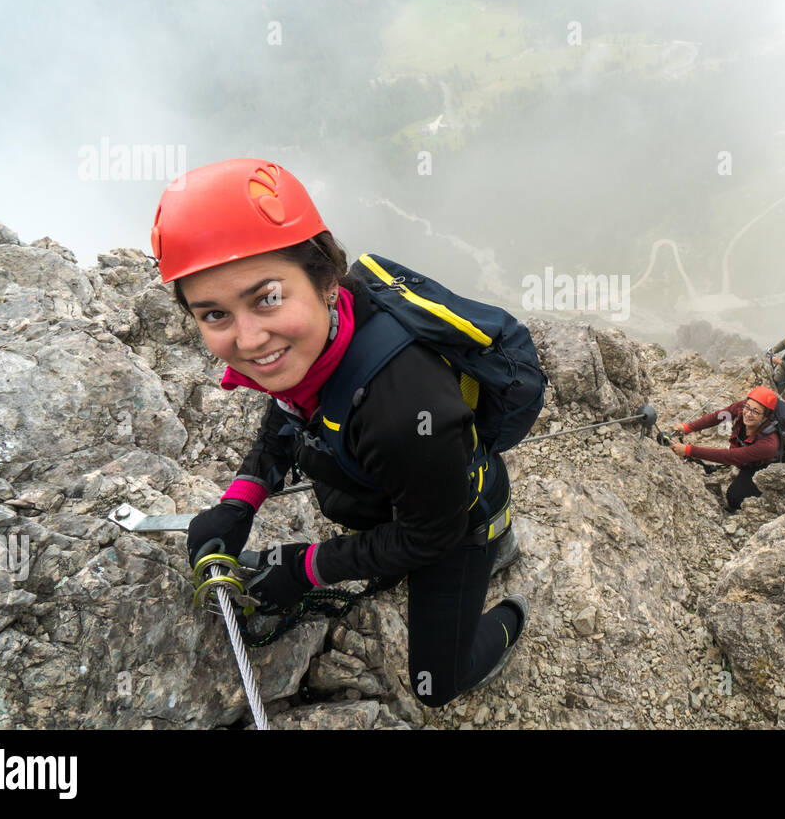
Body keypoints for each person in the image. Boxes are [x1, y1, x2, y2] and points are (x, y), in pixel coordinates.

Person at [152, 158, 527, 707]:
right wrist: (241, 500)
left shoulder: (404, 410)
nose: (249, 339)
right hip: (411, 487)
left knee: (437, 686)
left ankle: (508, 601)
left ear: (326, 280)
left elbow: (430, 536)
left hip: (456, 518)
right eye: (214, 315)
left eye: (267, 298)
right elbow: (290, 408)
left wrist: (307, 568)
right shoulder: (325, 335)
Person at [668, 387, 780, 513]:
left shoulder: (769, 444)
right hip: (744, 454)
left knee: (734, 498)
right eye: (747, 407)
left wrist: (689, 451)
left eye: (755, 412)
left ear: (765, 417)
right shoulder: (741, 408)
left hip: (762, 465)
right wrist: (688, 428)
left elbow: (729, 456)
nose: (748, 413)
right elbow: (719, 416)